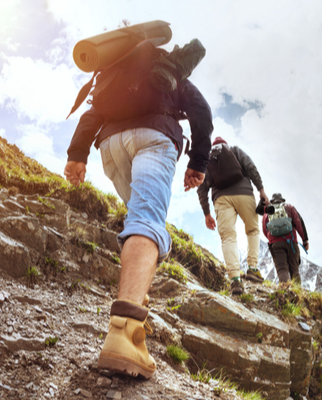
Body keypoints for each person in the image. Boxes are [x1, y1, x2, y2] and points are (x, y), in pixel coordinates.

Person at [64, 49, 213, 379]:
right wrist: (198, 163)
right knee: (146, 221)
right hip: (154, 138)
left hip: (111, 147)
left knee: (138, 219)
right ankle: (125, 333)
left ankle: (137, 303)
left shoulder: (114, 70)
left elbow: (92, 114)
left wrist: (77, 155)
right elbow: (201, 111)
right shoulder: (169, 68)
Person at [197, 137, 269, 295]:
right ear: (225, 145)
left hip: (221, 200)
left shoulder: (207, 161)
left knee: (228, 237)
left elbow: (201, 189)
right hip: (244, 194)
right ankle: (252, 268)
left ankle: (235, 280)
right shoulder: (234, 150)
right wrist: (261, 191)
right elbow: (251, 167)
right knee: (252, 230)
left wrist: (207, 214)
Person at [262, 193, 309, 283]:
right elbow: (299, 222)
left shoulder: (267, 212)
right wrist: (305, 240)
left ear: (272, 201)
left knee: (282, 269)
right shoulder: (289, 207)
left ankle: (286, 293)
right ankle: (297, 294)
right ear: (282, 201)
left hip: (276, 245)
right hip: (292, 243)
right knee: (294, 270)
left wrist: (273, 239)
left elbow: (265, 230)